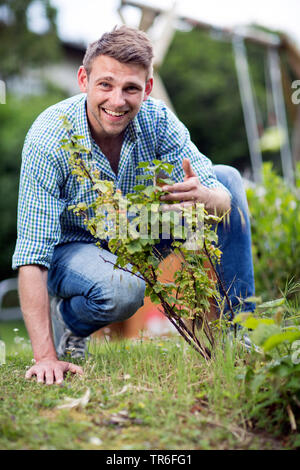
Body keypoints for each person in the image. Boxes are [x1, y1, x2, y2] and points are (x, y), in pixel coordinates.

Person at [13, 25, 255, 385]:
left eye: (131, 88)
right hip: (74, 246)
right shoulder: (49, 137)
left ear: (148, 89)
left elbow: (222, 200)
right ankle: (71, 321)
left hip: (138, 228)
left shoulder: (157, 120)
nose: (117, 100)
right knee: (122, 290)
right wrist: (45, 357)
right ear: (84, 79)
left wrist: (208, 198)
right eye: (105, 84)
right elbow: (33, 253)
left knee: (229, 178)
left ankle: (237, 339)